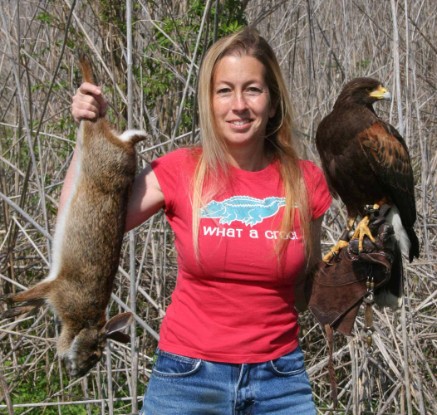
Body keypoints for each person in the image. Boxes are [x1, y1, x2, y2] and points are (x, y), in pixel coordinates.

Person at [67, 27, 332, 415]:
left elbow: (305, 291)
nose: (238, 104)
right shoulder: (179, 170)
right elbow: (81, 224)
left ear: (273, 103)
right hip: (188, 379)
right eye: (224, 90)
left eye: (253, 90)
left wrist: (352, 272)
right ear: (209, 102)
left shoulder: (306, 181)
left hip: (281, 382)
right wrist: (87, 134)